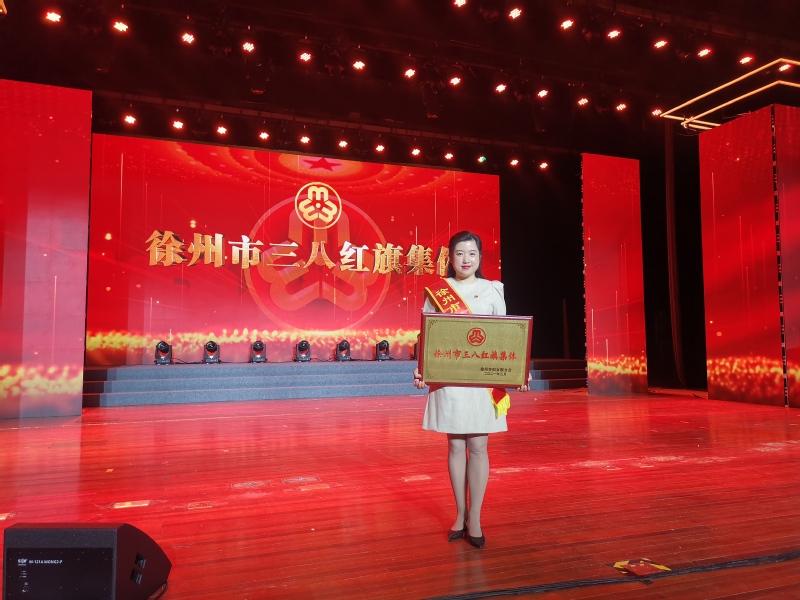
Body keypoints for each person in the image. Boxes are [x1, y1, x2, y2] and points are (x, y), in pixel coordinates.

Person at [413, 231, 531, 549]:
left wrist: (518, 371)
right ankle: (460, 514)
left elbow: (507, 337)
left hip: (482, 380)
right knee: (455, 446)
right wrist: (422, 369)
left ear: (479, 257)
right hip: (450, 378)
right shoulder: (438, 292)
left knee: (478, 446)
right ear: (450, 258)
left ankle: (475, 518)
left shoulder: (493, 290)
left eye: (472, 253)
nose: (466, 260)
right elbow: (427, 337)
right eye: (460, 253)